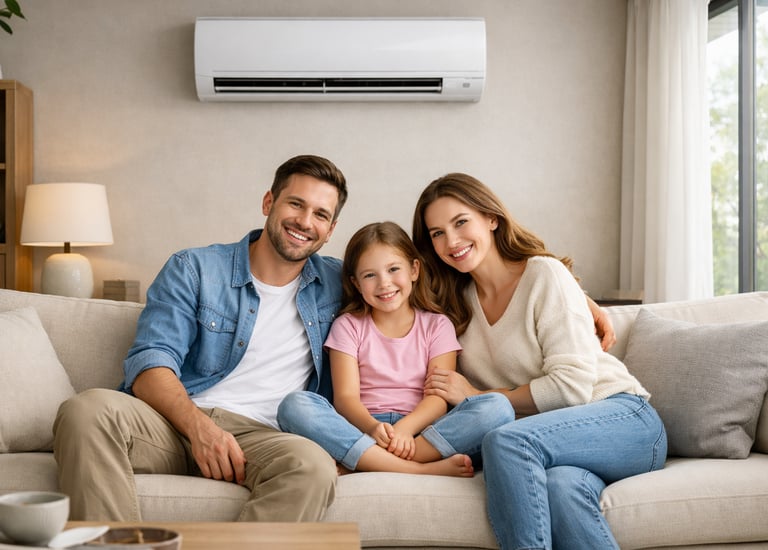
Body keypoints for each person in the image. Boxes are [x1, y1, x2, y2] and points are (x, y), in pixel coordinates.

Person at [52, 154, 349, 522]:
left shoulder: (341, 283)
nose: (305, 222)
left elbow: (406, 295)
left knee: (312, 467)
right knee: (86, 410)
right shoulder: (195, 268)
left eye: (321, 214)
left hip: (266, 437)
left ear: (331, 229)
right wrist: (199, 429)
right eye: (296, 204)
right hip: (171, 425)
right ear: (268, 202)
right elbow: (150, 362)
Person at [412, 173, 668, 550]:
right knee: (561, 490)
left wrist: (479, 394)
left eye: (461, 222)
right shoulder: (453, 305)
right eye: (436, 233)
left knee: (506, 442)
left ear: (491, 218)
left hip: (623, 418)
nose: (451, 241)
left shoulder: (543, 274)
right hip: (557, 446)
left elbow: (572, 386)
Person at [278, 221, 513, 477]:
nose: (384, 283)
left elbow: (437, 399)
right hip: (361, 428)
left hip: (422, 431)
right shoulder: (348, 326)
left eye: (393, 269)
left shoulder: (437, 325)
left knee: (497, 407)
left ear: (414, 270)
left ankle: (368, 461)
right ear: (356, 283)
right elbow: (345, 399)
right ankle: (417, 469)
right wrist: (372, 428)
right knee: (295, 405)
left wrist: (404, 431)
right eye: (370, 275)